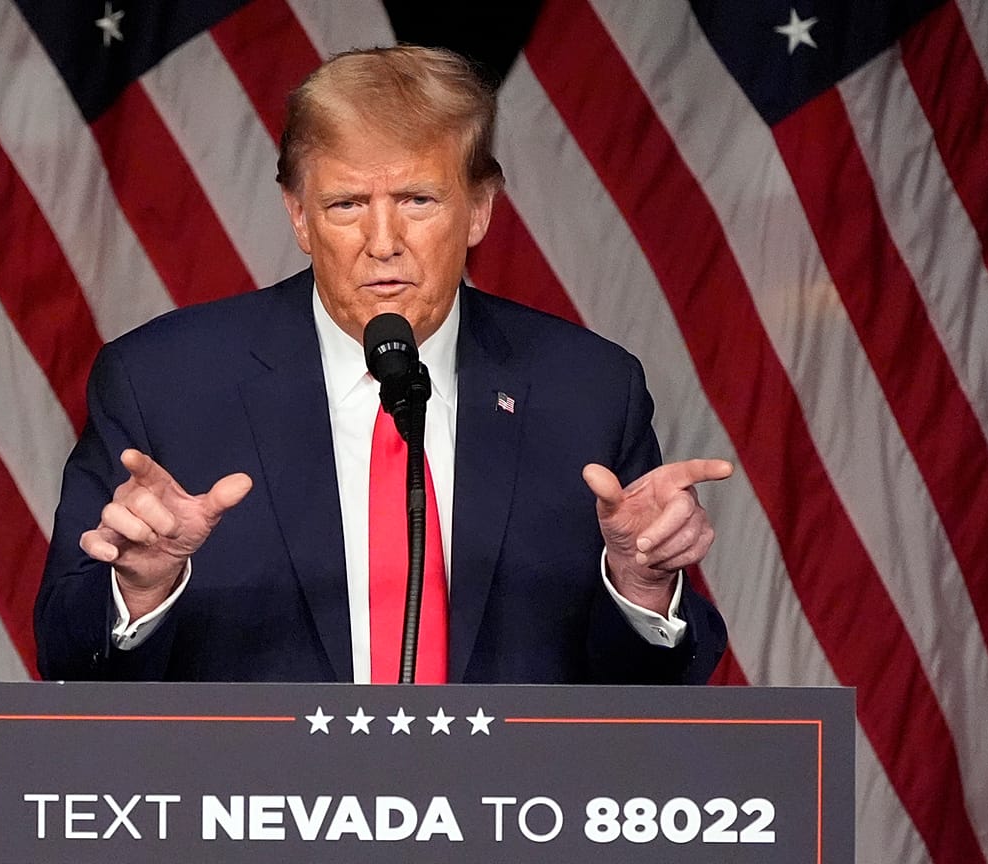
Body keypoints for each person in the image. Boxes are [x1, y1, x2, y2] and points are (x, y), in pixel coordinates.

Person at [35, 45, 732, 685]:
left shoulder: (587, 390)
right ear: (299, 216)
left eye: (417, 201)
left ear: (480, 209)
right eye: (345, 205)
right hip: (252, 813)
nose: (382, 242)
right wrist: (142, 591)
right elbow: (64, 653)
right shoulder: (164, 384)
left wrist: (639, 589)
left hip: (509, 815)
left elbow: (661, 692)